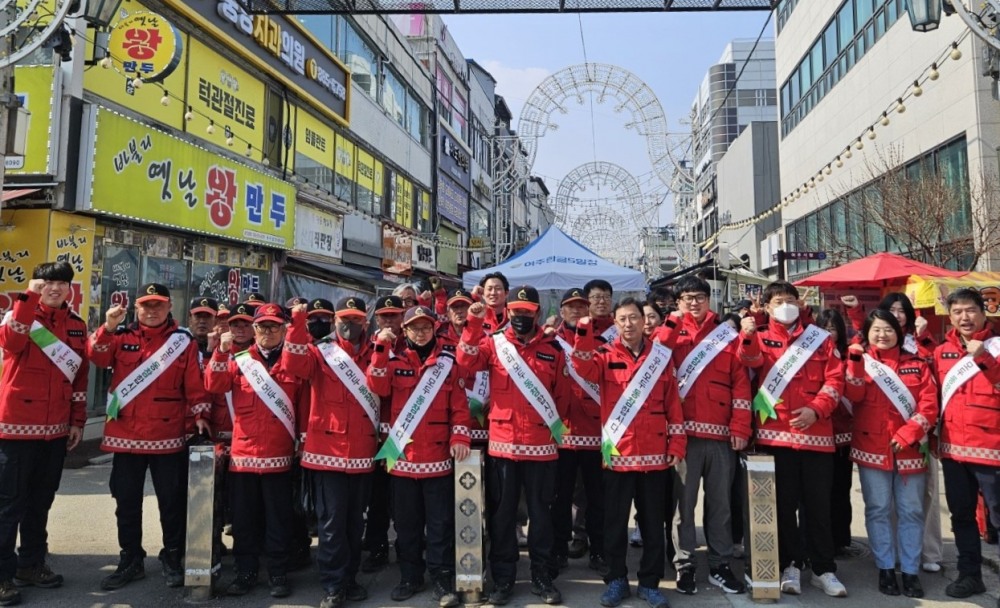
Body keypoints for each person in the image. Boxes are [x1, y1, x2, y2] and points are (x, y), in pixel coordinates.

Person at [88, 283, 211, 591]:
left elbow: (195, 385)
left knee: (171, 503)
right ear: (137, 308)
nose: (152, 310)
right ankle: (130, 559)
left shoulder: (182, 342)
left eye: (158, 305)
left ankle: (172, 558)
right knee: (126, 502)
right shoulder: (121, 336)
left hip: (167, 435)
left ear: (170, 306)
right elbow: (97, 358)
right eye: (146, 305)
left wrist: (200, 416)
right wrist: (107, 326)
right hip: (125, 435)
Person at [570, 297, 686, 608]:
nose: (629, 324)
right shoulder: (604, 356)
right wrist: (583, 331)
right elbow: (581, 367)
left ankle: (650, 583)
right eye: (622, 319)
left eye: (634, 317)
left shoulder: (661, 358)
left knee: (652, 524)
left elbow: (673, 405)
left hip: (655, 456)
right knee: (614, 524)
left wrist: (677, 444)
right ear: (615, 323)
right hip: (617, 457)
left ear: (644, 321)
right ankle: (616, 580)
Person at [457, 285, 569, 606]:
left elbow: (561, 398)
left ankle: (541, 576)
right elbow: (465, 363)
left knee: (541, 516)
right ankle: (503, 578)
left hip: (541, 447)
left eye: (527, 311)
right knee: (502, 517)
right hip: (503, 448)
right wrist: (474, 324)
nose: (521, 316)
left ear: (536, 312)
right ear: (509, 312)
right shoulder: (494, 345)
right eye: (516, 311)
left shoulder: (554, 350)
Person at [738, 281, 847, 598]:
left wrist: (817, 409)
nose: (785, 306)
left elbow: (835, 381)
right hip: (775, 439)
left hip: (816, 436)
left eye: (790, 300)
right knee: (782, 508)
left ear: (800, 304)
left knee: (818, 507)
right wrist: (747, 332)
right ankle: (791, 565)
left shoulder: (822, 340)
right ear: (767, 307)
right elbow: (749, 362)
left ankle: (824, 569)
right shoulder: (759, 337)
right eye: (778, 301)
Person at [367, 305, 472, 608]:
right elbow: (376, 385)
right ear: (406, 330)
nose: (421, 332)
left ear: (434, 329)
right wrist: (381, 347)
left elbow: (459, 408)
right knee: (406, 525)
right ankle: (410, 576)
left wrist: (460, 437)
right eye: (415, 327)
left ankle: (442, 578)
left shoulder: (448, 365)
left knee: (439, 525)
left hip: (438, 458)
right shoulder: (393, 360)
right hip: (402, 461)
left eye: (426, 327)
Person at [0, 262, 89, 604]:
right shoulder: (19, 317)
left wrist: (77, 421)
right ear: (38, 284)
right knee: (8, 505)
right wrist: (27, 296)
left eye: (61, 283)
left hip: (54, 433)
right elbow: (10, 342)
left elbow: (79, 380)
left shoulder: (77, 326)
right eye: (47, 282)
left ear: (70, 288)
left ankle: (32, 564)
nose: (54, 288)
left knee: (40, 503)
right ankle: (3, 575)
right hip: (14, 430)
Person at [282, 296, 379, 608]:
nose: (349, 325)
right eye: (344, 319)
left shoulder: (374, 352)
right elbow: (292, 364)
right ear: (335, 320)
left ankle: (350, 579)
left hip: (363, 454)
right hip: (327, 453)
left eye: (355, 319)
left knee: (354, 524)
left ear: (365, 322)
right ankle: (333, 585)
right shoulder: (319, 351)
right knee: (331, 524)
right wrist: (297, 324)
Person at [206, 303, 307, 599]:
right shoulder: (239, 361)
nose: (268, 332)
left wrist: (302, 444)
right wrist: (220, 351)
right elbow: (214, 383)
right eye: (262, 327)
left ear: (283, 330)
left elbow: (302, 407)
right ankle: (245, 572)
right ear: (254, 330)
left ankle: (278, 573)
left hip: (279, 458)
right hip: (244, 458)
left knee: (279, 520)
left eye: (274, 327)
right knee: (243, 521)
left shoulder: (291, 363)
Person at [662, 276, 750, 596]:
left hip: (721, 436)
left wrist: (741, 428)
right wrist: (672, 323)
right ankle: (685, 563)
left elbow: (741, 384)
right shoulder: (670, 333)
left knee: (721, 505)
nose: (694, 303)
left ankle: (719, 564)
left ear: (709, 299)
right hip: (683, 435)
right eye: (687, 298)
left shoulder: (727, 335)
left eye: (699, 297)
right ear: (678, 302)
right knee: (682, 506)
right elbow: (656, 363)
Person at [844, 309, 936, 598]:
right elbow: (854, 396)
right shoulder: (861, 361)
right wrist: (856, 362)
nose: (882, 335)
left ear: (899, 332)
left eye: (888, 329)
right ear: (868, 333)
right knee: (878, 509)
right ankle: (885, 567)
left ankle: (909, 570)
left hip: (909, 450)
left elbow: (930, 406)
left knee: (912, 511)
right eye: (876, 330)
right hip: (872, 448)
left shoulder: (918, 364)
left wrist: (908, 434)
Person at [933, 288, 1000, 600]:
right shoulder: (940, 351)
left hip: (993, 447)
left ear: (984, 311)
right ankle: (970, 574)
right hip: (953, 449)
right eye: (957, 311)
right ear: (950, 315)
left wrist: (983, 357)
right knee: (961, 516)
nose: (965, 317)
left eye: (971, 310)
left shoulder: (996, 347)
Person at [551, 288, 606, 575]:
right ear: (561, 311)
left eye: (581, 307)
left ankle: (598, 550)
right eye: (570, 307)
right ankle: (559, 548)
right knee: (560, 498)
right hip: (561, 434)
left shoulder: (604, 342)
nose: (576, 311)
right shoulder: (550, 341)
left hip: (594, 432)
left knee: (597, 498)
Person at [361, 294, 406, 573]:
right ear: (376, 319)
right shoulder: (368, 345)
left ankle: (407, 548)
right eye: (384, 316)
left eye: (394, 315)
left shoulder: (411, 344)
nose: (389, 320)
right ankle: (377, 549)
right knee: (377, 500)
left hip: (405, 433)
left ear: (403, 317)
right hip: (377, 433)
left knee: (403, 500)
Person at [815, 308, 855, 557]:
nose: (829, 333)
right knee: (819, 493)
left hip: (842, 434)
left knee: (841, 489)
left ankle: (840, 539)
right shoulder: (810, 353)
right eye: (824, 327)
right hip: (819, 432)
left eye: (833, 328)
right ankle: (819, 541)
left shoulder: (850, 354)